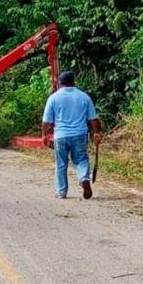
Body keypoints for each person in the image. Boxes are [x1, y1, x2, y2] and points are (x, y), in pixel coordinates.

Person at [42, 71, 102, 199]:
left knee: (61, 163)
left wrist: (44, 136)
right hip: (80, 134)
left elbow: (46, 121)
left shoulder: (54, 98)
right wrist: (96, 132)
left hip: (61, 135)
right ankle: (84, 178)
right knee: (81, 159)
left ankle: (62, 191)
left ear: (60, 82)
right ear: (74, 81)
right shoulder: (84, 97)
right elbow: (93, 119)